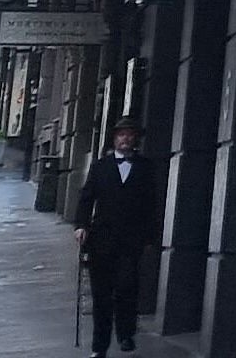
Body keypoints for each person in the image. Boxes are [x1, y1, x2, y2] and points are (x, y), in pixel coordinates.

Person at [76, 118, 152, 356]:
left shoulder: (145, 167)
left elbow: (152, 204)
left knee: (127, 288)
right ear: (114, 138)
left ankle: (126, 333)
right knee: (101, 295)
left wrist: (150, 236)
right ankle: (100, 346)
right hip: (102, 239)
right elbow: (87, 197)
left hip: (131, 241)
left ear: (136, 139)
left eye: (130, 135)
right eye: (121, 135)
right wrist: (81, 226)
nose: (125, 139)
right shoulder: (101, 167)